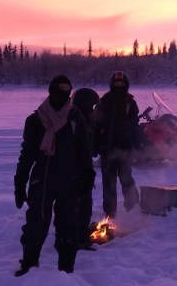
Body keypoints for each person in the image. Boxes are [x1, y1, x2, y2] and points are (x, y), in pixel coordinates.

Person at [13, 75, 94, 276]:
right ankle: (29, 266)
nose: (62, 94)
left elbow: (84, 151)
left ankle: (66, 270)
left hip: (70, 181)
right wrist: (20, 182)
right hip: (42, 180)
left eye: (67, 90)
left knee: (68, 226)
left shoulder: (76, 118)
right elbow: (27, 153)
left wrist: (87, 176)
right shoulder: (35, 120)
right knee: (36, 225)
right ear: (50, 91)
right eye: (59, 89)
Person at [93, 71, 140, 218]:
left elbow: (134, 126)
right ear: (112, 85)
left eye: (122, 84)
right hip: (108, 149)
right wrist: (96, 145)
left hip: (125, 149)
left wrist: (136, 145)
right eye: (116, 84)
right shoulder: (104, 101)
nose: (119, 86)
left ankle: (132, 209)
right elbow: (96, 124)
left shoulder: (130, 103)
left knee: (127, 180)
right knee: (108, 182)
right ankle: (110, 212)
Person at [71, 87, 100, 250]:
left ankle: (81, 234)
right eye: (93, 106)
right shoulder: (76, 121)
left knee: (84, 204)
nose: (94, 110)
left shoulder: (85, 120)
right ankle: (78, 238)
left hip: (83, 168)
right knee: (80, 205)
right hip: (77, 170)